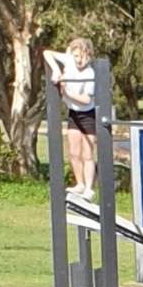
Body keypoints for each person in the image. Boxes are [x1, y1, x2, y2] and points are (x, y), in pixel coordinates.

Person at [41, 37, 98, 200]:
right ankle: (80, 184)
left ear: (89, 56)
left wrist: (66, 92)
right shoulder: (69, 60)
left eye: (83, 57)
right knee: (73, 152)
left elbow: (85, 100)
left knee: (87, 153)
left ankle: (89, 188)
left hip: (88, 114)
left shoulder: (90, 73)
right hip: (73, 113)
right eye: (76, 56)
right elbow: (47, 53)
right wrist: (56, 70)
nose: (79, 60)